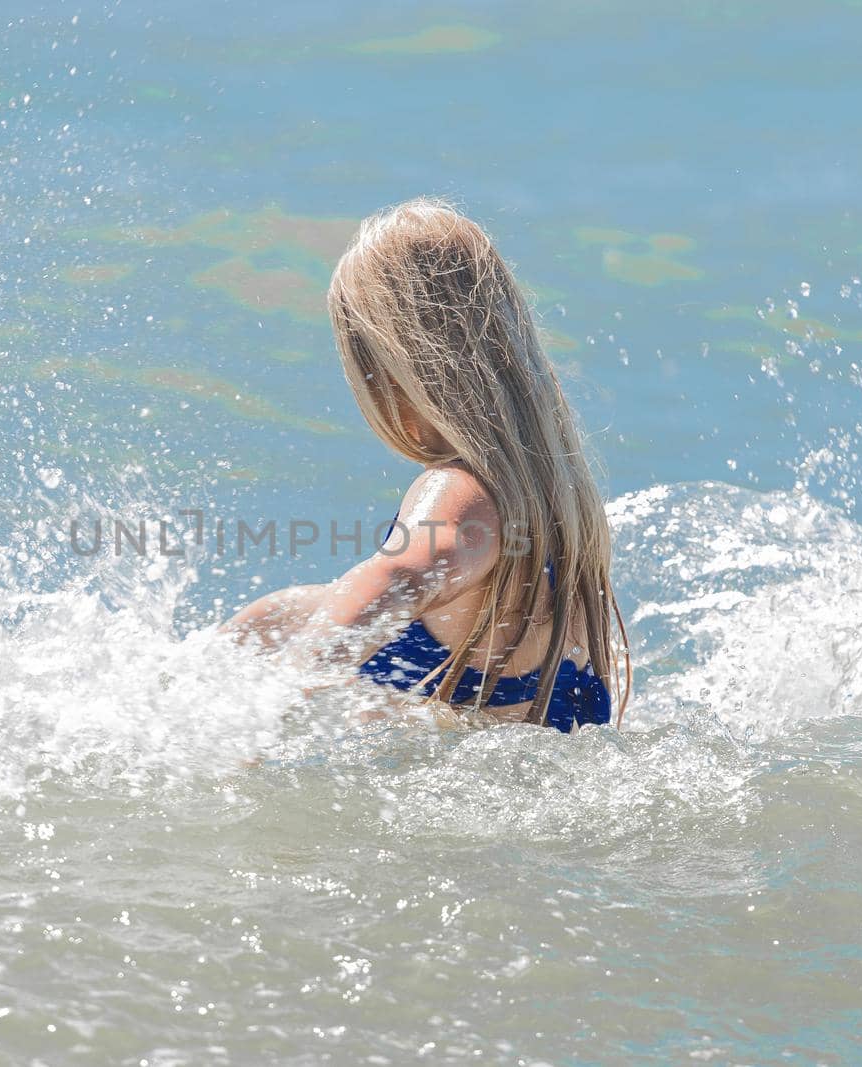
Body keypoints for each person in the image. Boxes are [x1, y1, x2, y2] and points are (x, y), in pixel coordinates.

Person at [223, 198, 629, 732]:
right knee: (281, 616)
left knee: (270, 625)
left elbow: (403, 572)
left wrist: (274, 704)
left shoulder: (460, 489)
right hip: (540, 740)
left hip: (449, 767)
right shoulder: (566, 517)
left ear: (389, 371)